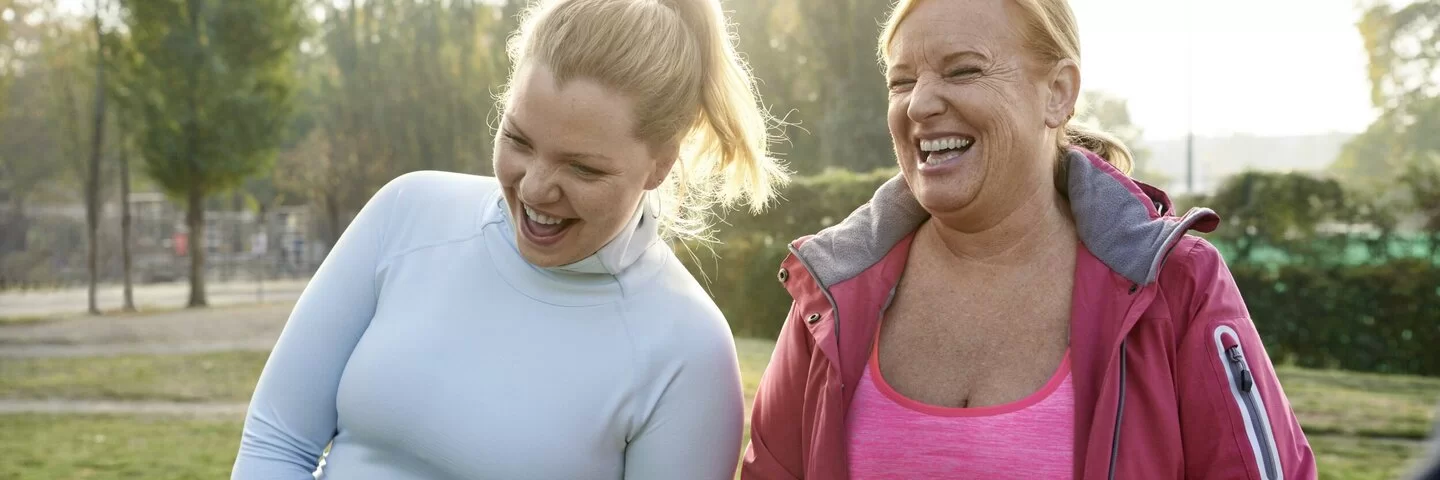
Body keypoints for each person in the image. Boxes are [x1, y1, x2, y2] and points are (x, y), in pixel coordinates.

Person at [741, 0, 1317, 478]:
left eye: (963, 70)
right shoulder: (832, 288)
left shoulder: (1175, 285)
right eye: (902, 82)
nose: (919, 103)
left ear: (1058, 93)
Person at [231, 0, 787, 478]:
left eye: (584, 169)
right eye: (518, 140)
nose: (537, 188)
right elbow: (276, 442)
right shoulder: (406, 214)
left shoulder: (688, 350)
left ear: (660, 164)